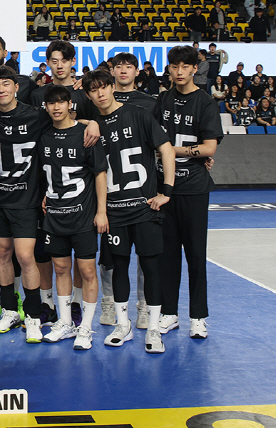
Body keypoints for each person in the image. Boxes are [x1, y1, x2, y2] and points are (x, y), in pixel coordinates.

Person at [82, 68, 176, 353]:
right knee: (118, 268)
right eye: (93, 90)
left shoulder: (139, 115)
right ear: (88, 95)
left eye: (103, 87)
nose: (100, 93)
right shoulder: (94, 127)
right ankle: (123, 325)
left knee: (151, 267)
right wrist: (91, 121)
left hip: (145, 208)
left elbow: (166, 149)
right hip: (115, 212)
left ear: (112, 87)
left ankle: (154, 329)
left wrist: (166, 191)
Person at [156, 46, 223, 341]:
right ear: (169, 69)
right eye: (175, 66)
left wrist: (173, 150)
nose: (180, 71)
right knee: (167, 255)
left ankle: (198, 317)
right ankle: (169, 313)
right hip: (164, 189)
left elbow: (209, 147)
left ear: (195, 69)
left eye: (185, 66)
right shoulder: (162, 100)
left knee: (196, 255)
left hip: (194, 189)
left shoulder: (205, 102)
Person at [38, 85, 108, 350]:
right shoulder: (44, 137)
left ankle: (86, 327)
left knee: (87, 270)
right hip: (55, 216)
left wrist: (101, 211)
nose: (56, 107)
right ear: (46, 107)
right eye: (51, 103)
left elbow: (100, 173)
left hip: (83, 216)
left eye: (61, 102)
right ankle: (66, 322)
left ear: (70, 105)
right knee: (60, 268)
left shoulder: (86, 134)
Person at [0, 66, 47, 343]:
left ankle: (33, 317)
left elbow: (65, 120)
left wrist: (90, 122)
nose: (1, 89)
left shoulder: (34, 115)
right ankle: (10, 310)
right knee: (2, 253)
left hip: (25, 199)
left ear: (16, 87)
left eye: (6, 84)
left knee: (25, 256)